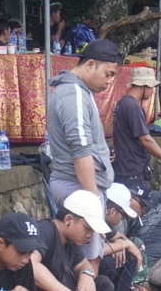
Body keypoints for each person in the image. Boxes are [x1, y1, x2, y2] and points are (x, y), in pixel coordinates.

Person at [46, 38, 118, 272]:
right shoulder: (73, 95)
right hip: (77, 186)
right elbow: (80, 152)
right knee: (88, 262)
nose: (110, 81)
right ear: (90, 64)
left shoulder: (80, 92)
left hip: (83, 186)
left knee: (89, 257)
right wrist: (93, 201)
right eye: (108, 74)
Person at [30, 190, 115, 291]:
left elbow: (83, 264)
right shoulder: (45, 230)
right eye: (88, 229)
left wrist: (86, 275)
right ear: (69, 220)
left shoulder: (71, 242)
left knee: (102, 285)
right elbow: (32, 265)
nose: (90, 235)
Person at [112, 66, 161, 194]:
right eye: (151, 87)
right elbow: (145, 139)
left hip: (125, 169)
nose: (152, 91)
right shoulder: (132, 106)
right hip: (132, 171)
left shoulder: (123, 103)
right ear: (144, 86)